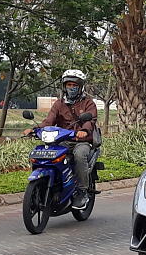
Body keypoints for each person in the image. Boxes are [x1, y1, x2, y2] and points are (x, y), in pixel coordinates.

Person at [23, 69, 98, 209]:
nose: (71, 88)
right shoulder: (59, 104)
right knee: (46, 153)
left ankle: (82, 191)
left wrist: (83, 131)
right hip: (62, 140)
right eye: (68, 85)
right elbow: (49, 121)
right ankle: (50, 185)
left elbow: (90, 120)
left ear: (80, 86)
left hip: (81, 141)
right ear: (64, 86)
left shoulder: (88, 103)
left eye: (74, 85)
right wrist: (34, 129)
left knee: (79, 155)